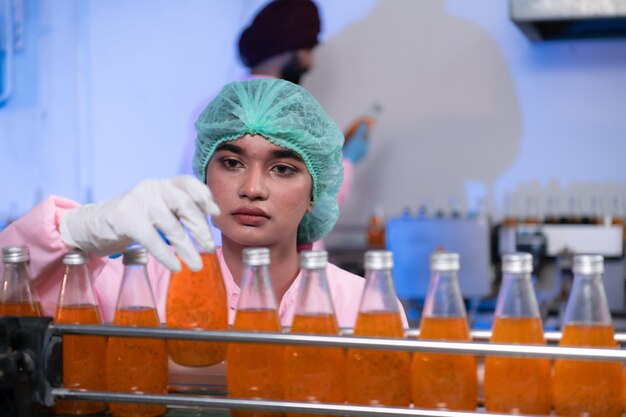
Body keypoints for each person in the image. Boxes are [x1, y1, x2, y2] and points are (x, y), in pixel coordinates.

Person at [0, 78, 406, 329]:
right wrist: (78, 230)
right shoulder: (139, 285)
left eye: (282, 169)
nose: (252, 188)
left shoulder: (364, 305)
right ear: (205, 177)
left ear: (316, 190)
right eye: (231, 163)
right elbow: (12, 295)